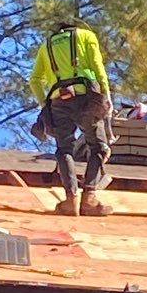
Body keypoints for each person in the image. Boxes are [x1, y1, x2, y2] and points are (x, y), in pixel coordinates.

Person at [29, 21, 114, 217]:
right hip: (87, 98)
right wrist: (107, 97)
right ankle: (89, 199)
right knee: (99, 147)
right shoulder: (86, 36)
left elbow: (34, 80)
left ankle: (70, 200)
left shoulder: (46, 45)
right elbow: (98, 68)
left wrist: (45, 105)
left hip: (58, 102)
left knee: (64, 148)